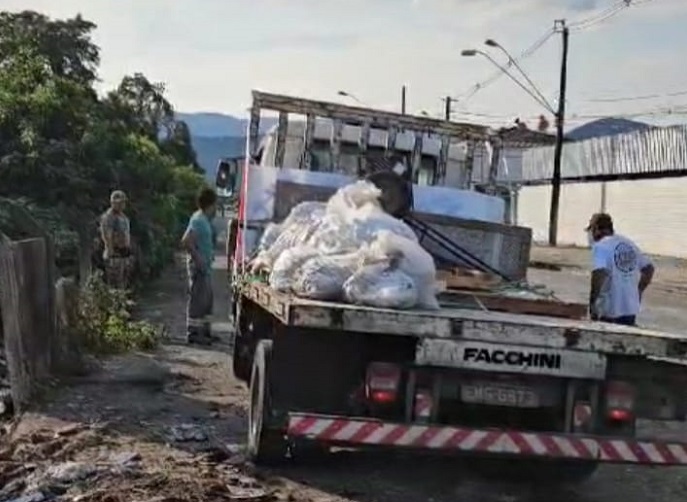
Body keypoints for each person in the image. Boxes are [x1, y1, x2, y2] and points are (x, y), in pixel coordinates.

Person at [586, 213, 654, 326]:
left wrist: (593, 304)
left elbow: (599, 274)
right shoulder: (628, 243)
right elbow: (649, 268)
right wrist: (639, 291)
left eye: (591, 230)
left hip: (610, 310)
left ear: (596, 229)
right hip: (630, 309)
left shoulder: (601, 247)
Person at [181, 187, 218, 345]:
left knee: (206, 301)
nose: (216, 208)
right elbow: (186, 241)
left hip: (206, 268)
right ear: (210, 204)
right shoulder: (198, 220)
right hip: (199, 268)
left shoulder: (205, 220)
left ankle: (205, 331)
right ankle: (193, 333)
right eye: (215, 205)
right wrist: (199, 259)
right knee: (197, 301)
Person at [100, 190, 132, 288]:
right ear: (114, 203)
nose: (123, 204)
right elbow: (107, 235)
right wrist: (111, 251)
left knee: (123, 282)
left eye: (123, 202)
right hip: (114, 254)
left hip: (124, 253)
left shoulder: (123, 216)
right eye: (121, 202)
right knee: (115, 284)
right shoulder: (109, 217)